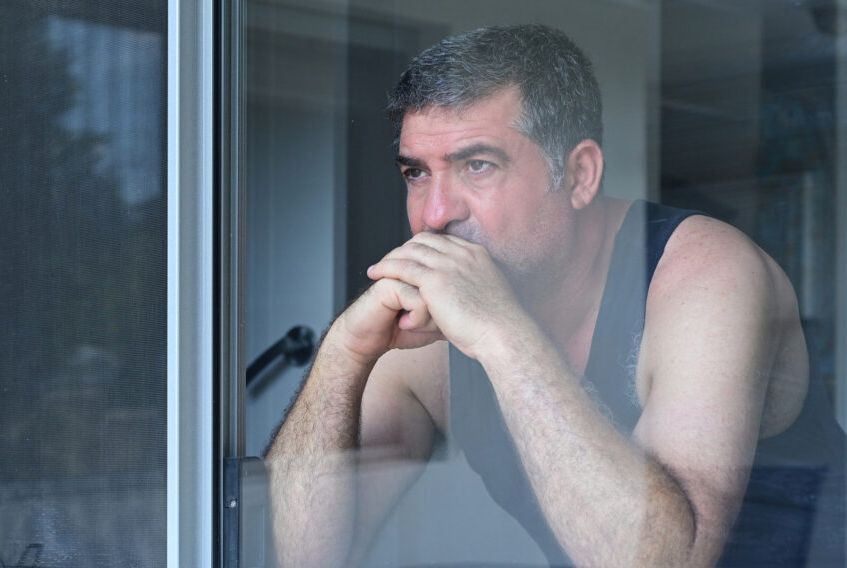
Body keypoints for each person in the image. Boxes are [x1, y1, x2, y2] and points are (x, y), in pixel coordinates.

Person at [264, 24, 844, 568]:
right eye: (417, 173)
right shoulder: (427, 331)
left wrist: (503, 334)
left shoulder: (707, 276)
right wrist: (344, 351)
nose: (435, 215)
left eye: (479, 165)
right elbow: (303, 555)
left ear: (580, 175)